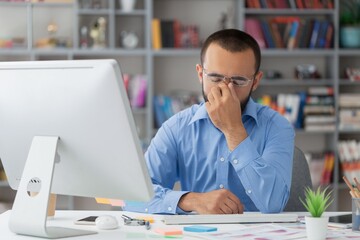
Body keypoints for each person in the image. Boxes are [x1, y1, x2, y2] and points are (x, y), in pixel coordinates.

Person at [125, 29, 295, 214]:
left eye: (238, 81)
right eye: (215, 78)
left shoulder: (277, 127)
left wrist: (233, 130)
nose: (225, 88)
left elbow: (274, 204)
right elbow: (132, 197)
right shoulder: (176, 128)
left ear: (255, 81)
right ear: (200, 74)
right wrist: (192, 201)